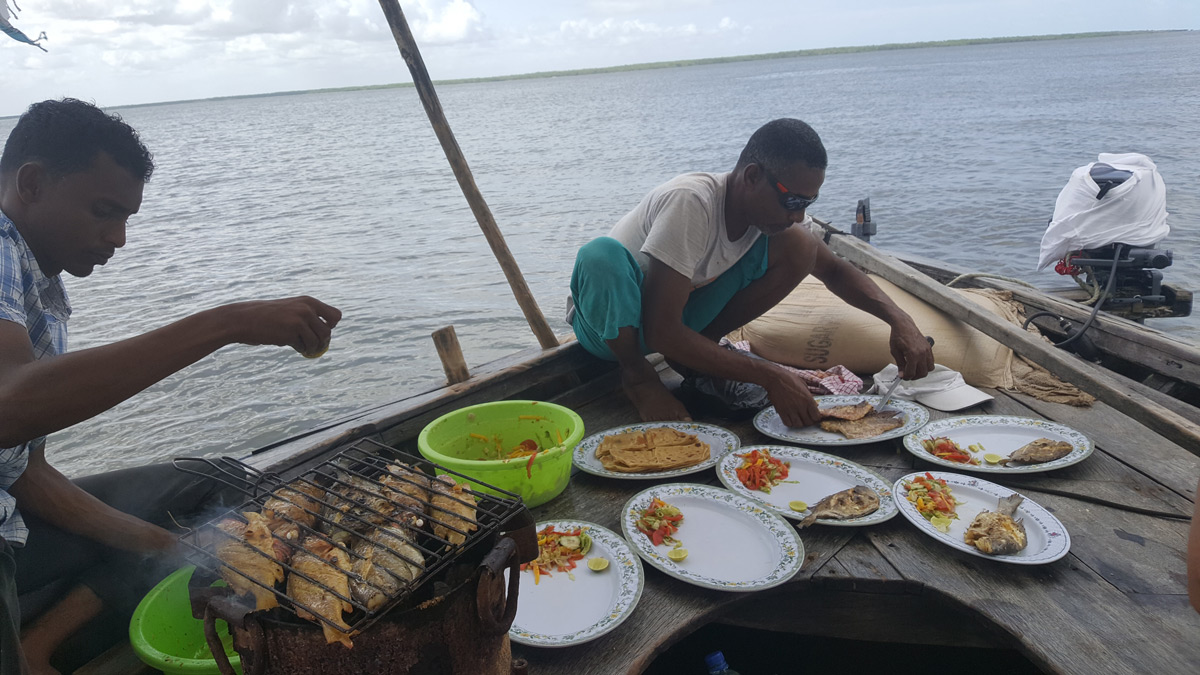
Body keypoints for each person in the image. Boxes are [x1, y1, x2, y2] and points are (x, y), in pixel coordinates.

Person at [0, 99, 342, 674]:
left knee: (207, 489)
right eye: (104, 211)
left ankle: (40, 645)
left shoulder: (38, 280)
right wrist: (227, 322)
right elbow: (8, 406)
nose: (119, 237)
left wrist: (171, 548)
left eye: (127, 217)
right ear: (32, 183)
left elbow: (24, 472)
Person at [568, 118, 933, 425]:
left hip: (676, 325)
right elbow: (660, 332)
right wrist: (771, 375)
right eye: (792, 201)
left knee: (801, 246)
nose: (798, 215)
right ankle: (637, 376)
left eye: (808, 203)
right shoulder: (692, 201)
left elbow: (836, 271)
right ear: (752, 176)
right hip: (613, 329)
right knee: (601, 255)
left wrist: (900, 322)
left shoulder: (769, 218)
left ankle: (696, 356)